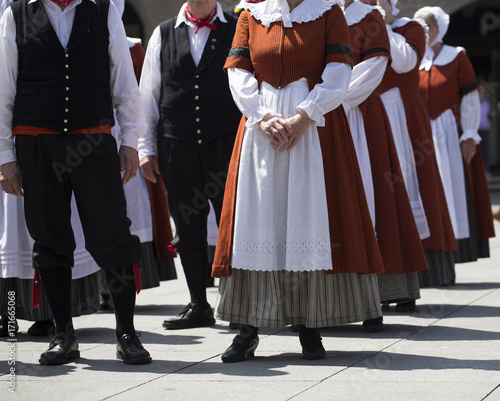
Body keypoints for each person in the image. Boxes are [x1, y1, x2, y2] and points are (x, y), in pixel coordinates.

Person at [212, 0, 385, 362]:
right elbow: (238, 71)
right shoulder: (250, 15)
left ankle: (310, 327)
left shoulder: (328, 13)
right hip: (261, 129)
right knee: (257, 222)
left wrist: (306, 115)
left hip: (314, 130)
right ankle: (248, 329)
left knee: (308, 221)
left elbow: (339, 71)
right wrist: (260, 116)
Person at [0, 0, 151, 365]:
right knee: (49, 238)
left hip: (93, 138)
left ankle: (126, 333)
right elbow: (4, 87)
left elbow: (123, 79)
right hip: (36, 141)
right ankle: (63, 334)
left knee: (112, 235)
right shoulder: (16, 13)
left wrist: (131, 140)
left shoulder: (101, 10)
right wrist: (5, 157)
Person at [139, 0, 241, 330]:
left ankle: (243, 303)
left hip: (225, 141)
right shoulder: (163, 32)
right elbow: (149, 93)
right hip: (176, 144)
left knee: (235, 224)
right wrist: (144, 148)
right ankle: (198, 304)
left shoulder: (236, 26)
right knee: (187, 225)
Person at [343, 0, 427, 327]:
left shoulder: (372, 19)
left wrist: (332, 99)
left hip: (360, 111)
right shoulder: (318, 14)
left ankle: (375, 295)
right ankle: (320, 301)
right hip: (319, 114)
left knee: (373, 195)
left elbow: (383, 63)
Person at [98, 0, 178, 311]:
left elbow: (142, 94)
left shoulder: (132, 49)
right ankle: (97, 285)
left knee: (130, 209)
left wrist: (138, 141)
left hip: (124, 132)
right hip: (91, 131)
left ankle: (127, 284)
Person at [375, 0, 457, 288]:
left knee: (413, 186)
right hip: (367, 115)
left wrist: (381, 24)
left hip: (404, 117)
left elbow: (404, 61)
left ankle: (419, 272)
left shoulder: (410, 28)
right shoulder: (352, 24)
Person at [415, 6, 495, 264]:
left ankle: (456, 250)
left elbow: (470, 97)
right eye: (419, 28)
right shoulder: (412, 59)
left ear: (439, 29)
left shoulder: (456, 57)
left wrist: (469, 135)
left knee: (453, 188)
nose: (423, 33)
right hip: (421, 134)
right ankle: (432, 250)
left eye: (428, 27)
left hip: (450, 131)